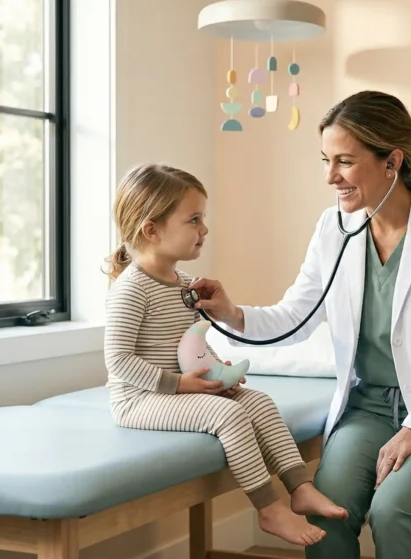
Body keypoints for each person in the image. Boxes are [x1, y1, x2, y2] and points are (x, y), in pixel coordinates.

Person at [189, 90, 411, 559]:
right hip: (367, 409)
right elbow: (294, 316)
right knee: (326, 511)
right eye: (326, 160)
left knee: (393, 510)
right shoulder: (332, 228)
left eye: (344, 161)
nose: (330, 176)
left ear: (392, 162)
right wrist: (230, 313)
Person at [102, 163, 348, 548]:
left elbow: (193, 341)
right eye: (194, 219)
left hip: (181, 389)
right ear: (152, 229)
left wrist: (218, 371)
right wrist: (179, 385)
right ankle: (268, 508)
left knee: (261, 402)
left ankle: (300, 485)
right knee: (229, 414)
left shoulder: (185, 284)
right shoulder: (132, 289)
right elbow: (118, 362)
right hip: (139, 399)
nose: (204, 229)